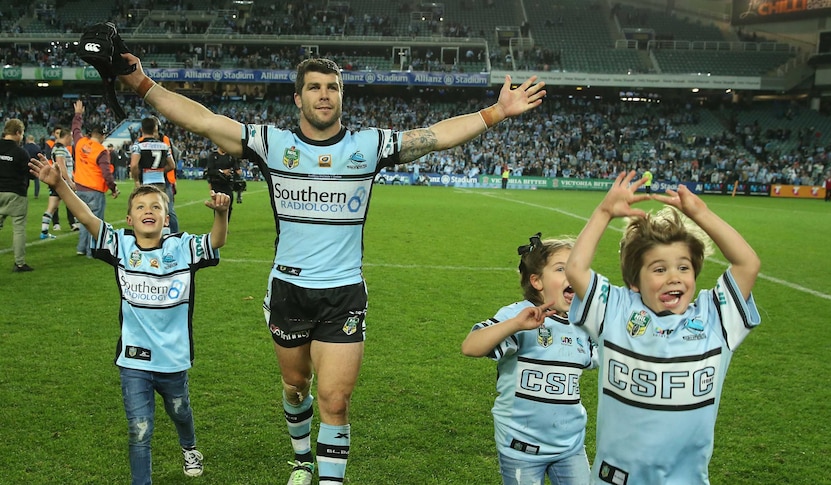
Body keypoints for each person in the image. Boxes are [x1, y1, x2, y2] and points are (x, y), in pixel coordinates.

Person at [119, 52, 545, 484]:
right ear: (298, 97)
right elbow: (202, 120)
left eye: (333, 87)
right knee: (296, 386)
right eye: (315, 87)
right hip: (288, 290)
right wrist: (139, 81)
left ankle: (328, 479)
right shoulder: (273, 144)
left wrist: (496, 112)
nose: (324, 95)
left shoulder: (367, 147)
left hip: (343, 294)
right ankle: (302, 458)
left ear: (342, 95)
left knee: (335, 400)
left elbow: (435, 136)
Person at [30, 153, 231, 485]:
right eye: (140, 207)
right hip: (134, 360)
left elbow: (217, 241)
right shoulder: (120, 246)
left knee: (180, 410)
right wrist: (59, 185)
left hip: (173, 357)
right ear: (129, 219)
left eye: (155, 207)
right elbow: (86, 215)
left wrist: (222, 214)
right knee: (139, 430)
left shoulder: (182, 247)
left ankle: (189, 446)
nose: (148, 211)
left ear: (167, 219)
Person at [565, 170, 761, 484]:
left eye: (683, 267)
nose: (674, 276)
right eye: (659, 268)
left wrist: (701, 214)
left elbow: (747, 264)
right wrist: (603, 212)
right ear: (633, 282)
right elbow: (576, 269)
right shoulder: (616, 311)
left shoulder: (715, 318)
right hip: (617, 478)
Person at [462, 233, 596, 485]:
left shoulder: (584, 323)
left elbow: (608, 354)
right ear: (536, 281)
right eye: (561, 269)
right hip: (521, 448)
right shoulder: (518, 316)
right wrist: (515, 325)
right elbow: (471, 346)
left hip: (570, 446)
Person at [72, 100, 120, 256]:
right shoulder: (101, 150)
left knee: (83, 220)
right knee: (94, 222)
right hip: (95, 190)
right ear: (102, 135)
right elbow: (106, 173)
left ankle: (81, 248)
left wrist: (78, 114)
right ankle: (91, 251)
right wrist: (113, 188)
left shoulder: (80, 142)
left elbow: (75, 129)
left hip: (79, 188)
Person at [0, 119, 33, 272]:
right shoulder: (21, 152)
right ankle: (19, 263)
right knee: (18, 229)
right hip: (16, 193)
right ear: (18, 133)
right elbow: (30, 174)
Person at [38, 128, 75, 240]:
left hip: (58, 180)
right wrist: (69, 181)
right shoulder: (59, 148)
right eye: (71, 137)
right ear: (67, 136)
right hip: (62, 182)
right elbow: (61, 166)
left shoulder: (60, 148)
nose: (72, 140)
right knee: (74, 203)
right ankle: (78, 226)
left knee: (52, 207)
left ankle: (44, 231)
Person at [206, 145, 240, 221]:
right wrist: (221, 171)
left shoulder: (230, 156)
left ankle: (226, 225)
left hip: (228, 185)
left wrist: (236, 172)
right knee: (218, 205)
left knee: (229, 205)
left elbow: (236, 169)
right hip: (216, 184)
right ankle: (218, 224)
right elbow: (209, 171)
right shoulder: (213, 156)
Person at [23, 134, 42, 199]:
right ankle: (36, 195)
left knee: (26, 180)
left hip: (27, 165)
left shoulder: (25, 147)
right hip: (35, 165)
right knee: (36, 180)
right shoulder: (37, 147)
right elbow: (40, 157)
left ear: (27, 139)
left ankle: (25, 193)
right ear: (33, 139)